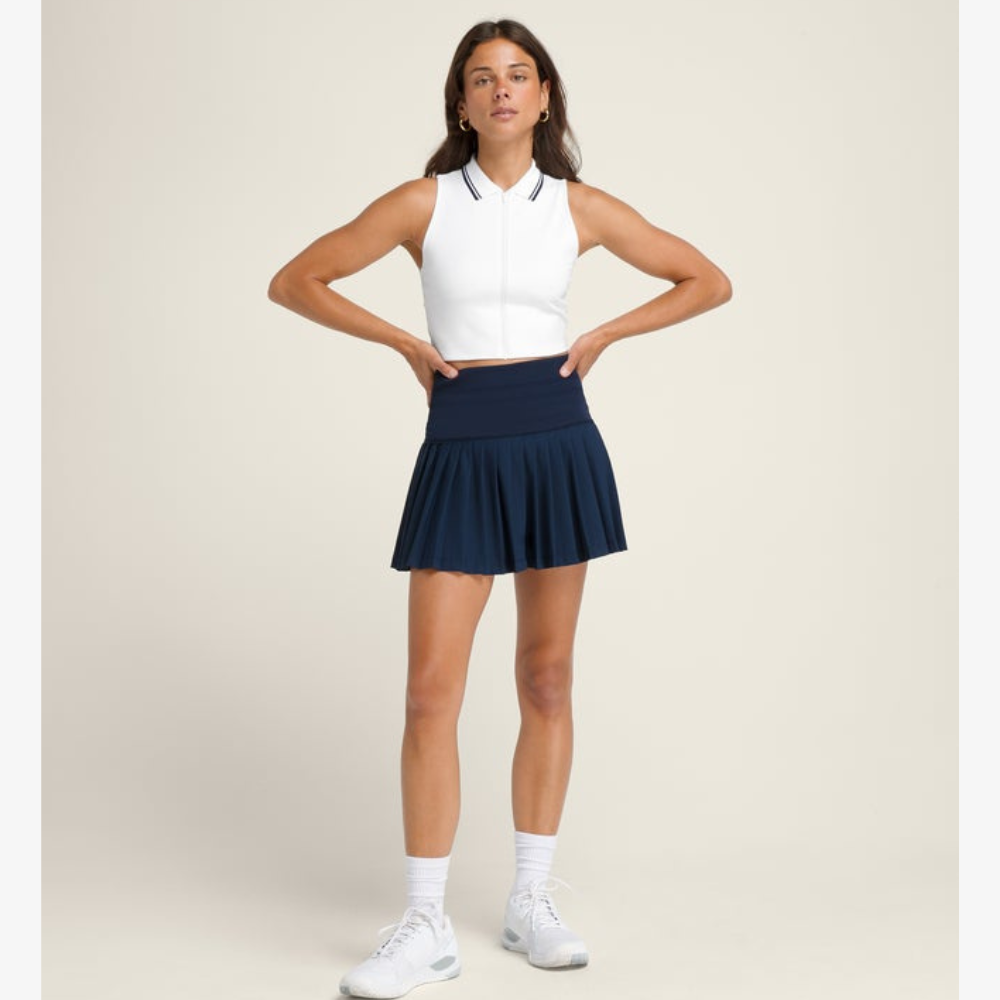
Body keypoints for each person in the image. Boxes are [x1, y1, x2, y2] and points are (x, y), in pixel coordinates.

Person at [268, 18, 731, 999]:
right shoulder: (423, 202)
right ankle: (425, 923)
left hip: (557, 436)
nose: (503, 90)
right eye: (483, 78)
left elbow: (707, 280)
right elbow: (295, 280)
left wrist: (604, 333)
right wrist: (404, 342)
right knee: (429, 692)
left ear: (545, 95)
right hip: (463, 436)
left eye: (519, 75)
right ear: (462, 102)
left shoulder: (580, 206)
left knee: (546, 678)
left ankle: (530, 899)